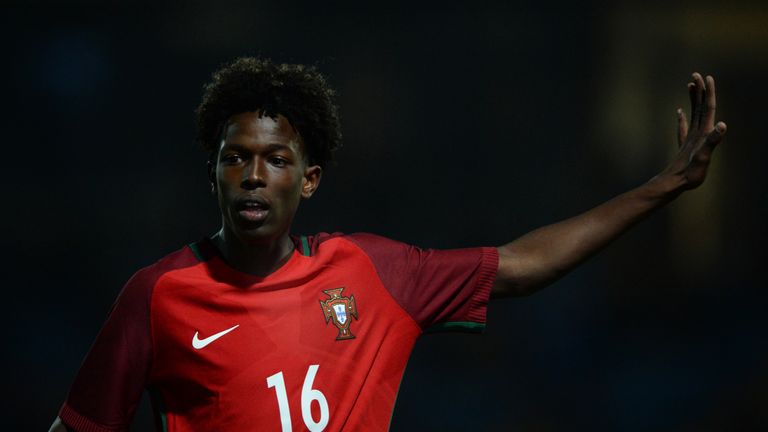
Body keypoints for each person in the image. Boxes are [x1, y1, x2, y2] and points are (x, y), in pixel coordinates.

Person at [49, 57, 727, 432]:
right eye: (235, 158)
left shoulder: (373, 272)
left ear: (309, 179)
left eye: (277, 159)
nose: (254, 174)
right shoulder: (158, 295)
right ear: (214, 172)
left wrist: (661, 188)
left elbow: (521, 265)